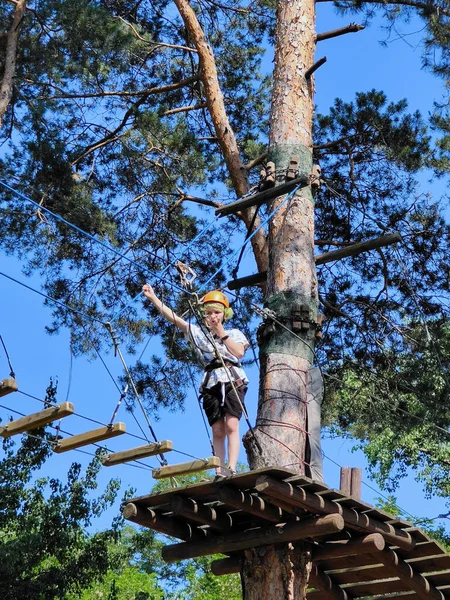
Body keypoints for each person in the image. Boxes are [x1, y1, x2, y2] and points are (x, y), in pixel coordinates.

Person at [142, 284, 250, 477]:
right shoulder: (198, 333)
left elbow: (239, 352)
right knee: (218, 429)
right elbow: (175, 319)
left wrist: (221, 332)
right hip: (211, 382)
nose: (213, 316)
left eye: (217, 312)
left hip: (233, 379)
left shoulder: (234, 333)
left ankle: (232, 467)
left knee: (232, 424)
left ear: (225, 314)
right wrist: (153, 298)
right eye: (209, 313)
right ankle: (220, 470)